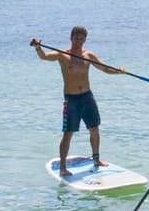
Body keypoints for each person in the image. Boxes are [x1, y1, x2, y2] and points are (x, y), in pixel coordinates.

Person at [31, 27, 126, 179]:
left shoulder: (88, 55)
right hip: (72, 99)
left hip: (87, 97)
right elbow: (45, 56)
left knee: (94, 129)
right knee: (68, 133)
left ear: (85, 40)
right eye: (76, 38)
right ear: (71, 38)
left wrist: (118, 71)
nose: (78, 41)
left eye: (81, 39)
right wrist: (38, 48)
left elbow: (104, 68)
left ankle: (96, 159)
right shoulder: (62, 55)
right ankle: (62, 167)